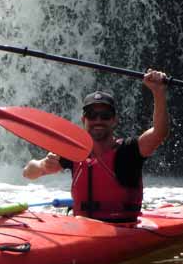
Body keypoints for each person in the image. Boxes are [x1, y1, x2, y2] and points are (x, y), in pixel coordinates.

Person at [22, 69, 169, 222]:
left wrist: (158, 92)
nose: (98, 120)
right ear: (83, 120)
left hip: (123, 229)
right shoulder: (74, 152)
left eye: (105, 116)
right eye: (92, 116)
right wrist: (42, 164)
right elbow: (28, 173)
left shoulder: (129, 150)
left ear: (114, 120)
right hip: (83, 230)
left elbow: (159, 132)